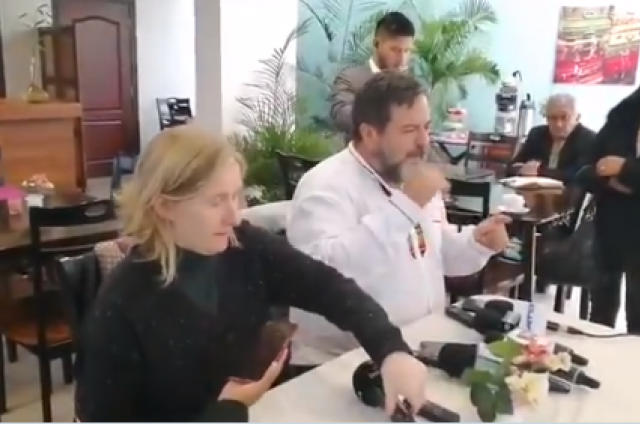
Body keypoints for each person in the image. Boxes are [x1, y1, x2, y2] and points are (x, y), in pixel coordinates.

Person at [74, 126, 430, 422]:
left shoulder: (245, 246)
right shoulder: (121, 307)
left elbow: (329, 288)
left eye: (236, 196)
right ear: (165, 206)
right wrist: (229, 409)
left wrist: (390, 350)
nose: (234, 216)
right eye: (216, 201)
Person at [286, 71, 511, 375]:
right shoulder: (326, 185)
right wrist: (405, 207)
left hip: (418, 350)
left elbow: (433, 255)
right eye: (409, 130)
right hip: (341, 366)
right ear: (369, 133)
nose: (424, 141)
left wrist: (476, 244)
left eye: (426, 127)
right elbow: (323, 274)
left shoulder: (409, 173)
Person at [577, 88, 640, 333]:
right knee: (601, 309)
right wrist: (609, 180)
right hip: (611, 225)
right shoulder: (622, 115)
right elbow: (587, 169)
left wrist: (625, 168)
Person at [329, 11, 415, 141]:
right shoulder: (351, 79)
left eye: (407, 51)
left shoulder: (411, 86)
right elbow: (341, 115)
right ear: (376, 44)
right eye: (395, 50)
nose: (402, 59)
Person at [508, 93, 596, 184]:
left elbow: (577, 175)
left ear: (577, 117)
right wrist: (521, 169)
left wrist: (539, 171)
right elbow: (512, 166)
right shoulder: (537, 133)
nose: (558, 124)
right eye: (552, 118)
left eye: (564, 117)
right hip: (531, 189)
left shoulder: (588, 139)